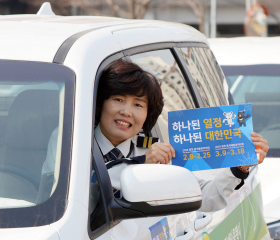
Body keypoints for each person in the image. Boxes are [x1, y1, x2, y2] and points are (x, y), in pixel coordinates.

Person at [92, 59, 269, 212]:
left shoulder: (155, 153)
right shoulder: (72, 144)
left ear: (148, 114)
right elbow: (87, 188)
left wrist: (240, 167)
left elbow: (205, 197)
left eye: (138, 105)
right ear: (101, 103)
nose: (126, 112)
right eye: (118, 100)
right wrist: (141, 165)